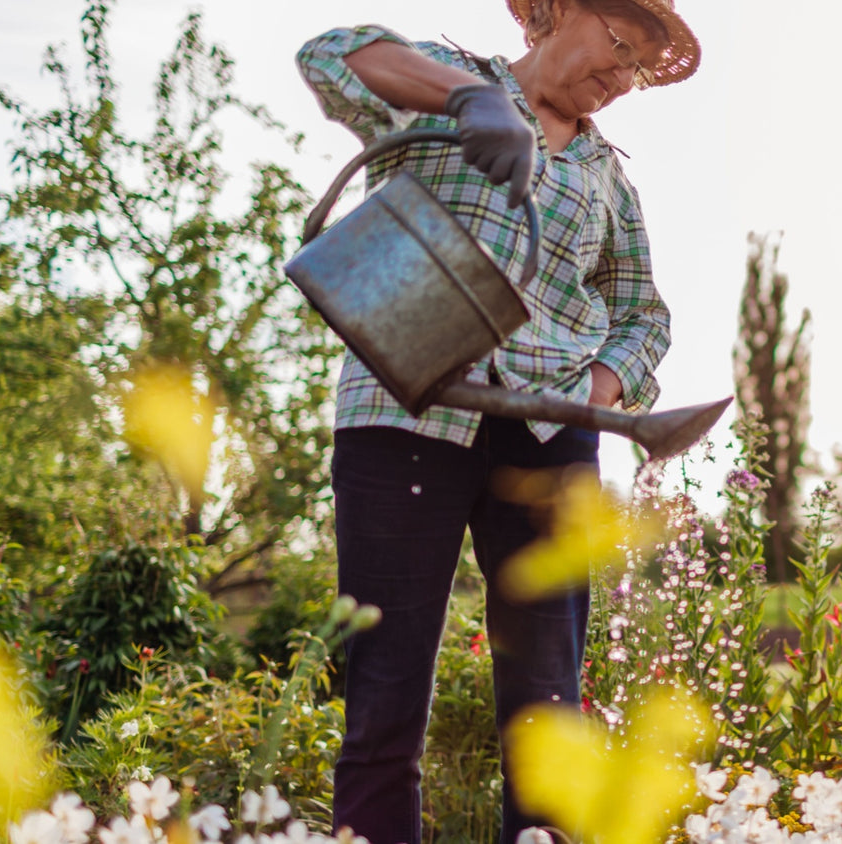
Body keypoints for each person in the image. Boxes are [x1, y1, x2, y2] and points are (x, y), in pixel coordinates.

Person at [295, 2, 700, 842]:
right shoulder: (446, 84)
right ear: (556, 17)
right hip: (406, 409)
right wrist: (464, 101)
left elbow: (644, 315)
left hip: (549, 438)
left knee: (548, 703)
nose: (620, 79)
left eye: (637, 70)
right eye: (621, 47)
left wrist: (597, 390)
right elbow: (331, 54)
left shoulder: (607, 178)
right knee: (385, 686)